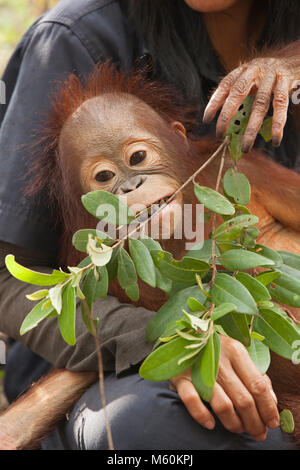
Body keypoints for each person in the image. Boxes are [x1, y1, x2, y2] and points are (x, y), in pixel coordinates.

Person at [0, 0, 299, 450]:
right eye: (105, 180)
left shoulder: (231, 173)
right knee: (139, 424)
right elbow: (13, 280)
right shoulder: (76, 38)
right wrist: (147, 340)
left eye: (139, 159)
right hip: (140, 381)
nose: (130, 188)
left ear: (180, 139)